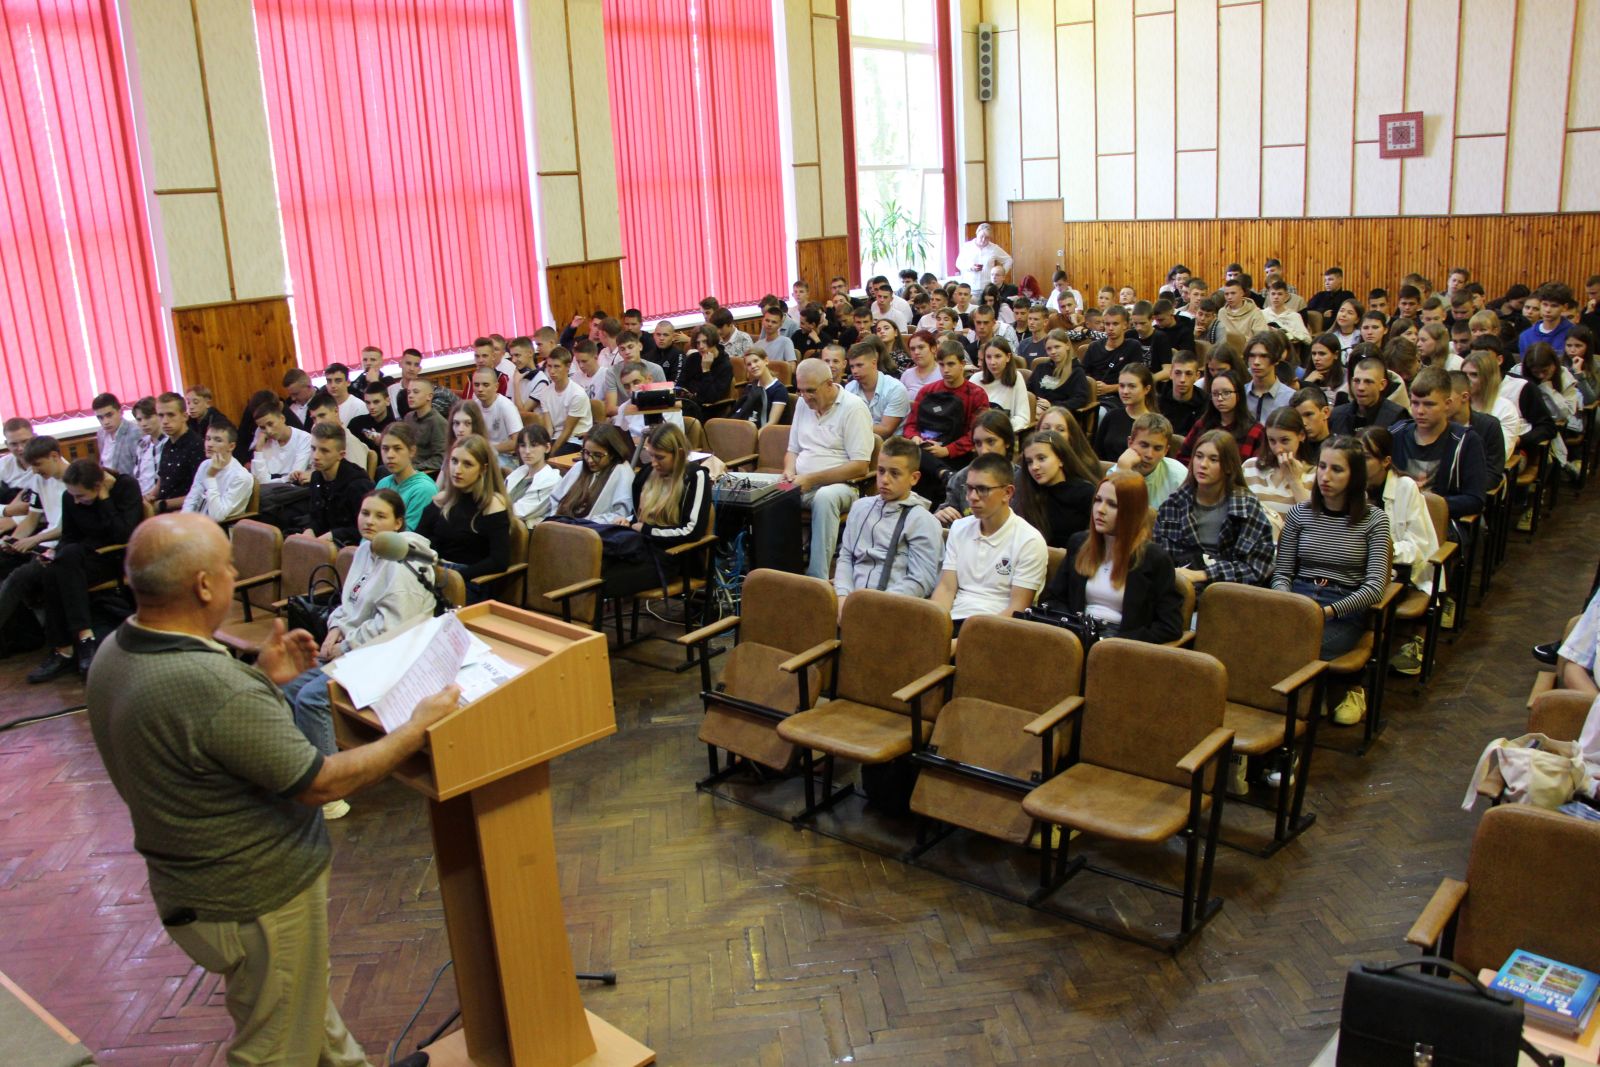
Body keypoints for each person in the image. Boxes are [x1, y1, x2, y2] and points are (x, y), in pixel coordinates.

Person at [85, 511, 451, 1067]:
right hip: (253, 894)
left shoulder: (117, 650)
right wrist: (414, 729)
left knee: (303, 1008)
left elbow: (198, 741)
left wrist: (258, 678)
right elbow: (321, 782)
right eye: (229, 567)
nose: (235, 575)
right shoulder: (213, 685)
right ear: (203, 585)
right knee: (276, 1045)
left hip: (194, 878)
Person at [279, 488, 437, 819]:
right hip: (358, 646)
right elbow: (349, 603)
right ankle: (304, 774)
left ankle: (331, 792)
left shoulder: (404, 562)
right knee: (290, 687)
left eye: (380, 516)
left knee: (313, 698)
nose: (370, 521)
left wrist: (345, 646)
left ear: (398, 523)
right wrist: (335, 630)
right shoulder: (366, 549)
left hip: (394, 653)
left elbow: (393, 626)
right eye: (365, 513)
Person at [1271, 436, 1393, 724]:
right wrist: (1288, 603)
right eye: (1322, 467)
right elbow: (1283, 573)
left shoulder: (1374, 520)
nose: (1325, 476)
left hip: (1343, 606)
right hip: (1298, 600)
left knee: (1301, 646)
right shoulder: (1300, 514)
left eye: (1337, 469)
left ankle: (1307, 706)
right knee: (1263, 639)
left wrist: (1327, 611)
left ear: (1355, 476)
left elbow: (1375, 586)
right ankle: (1299, 704)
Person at [15, 453, 141, 681]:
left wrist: (105, 500)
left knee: (60, 569)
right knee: (56, 565)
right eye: (72, 495)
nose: (75, 501)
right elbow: (70, 536)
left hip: (114, 557)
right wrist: (54, 553)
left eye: (81, 496)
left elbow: (124, 534)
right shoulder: (70, 497)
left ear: (98, 486)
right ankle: (84, 638)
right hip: (80, 559)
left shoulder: (125, 487)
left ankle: (64, 649)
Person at [1038, 473, 1183, 643]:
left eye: (1112, 504)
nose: (1100, 510)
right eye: (1098, 500)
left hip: (1122, 644)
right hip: (1077, 634)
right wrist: (1074, 628)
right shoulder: (1079, 543)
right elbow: (1054, 599)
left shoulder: (1154, 558)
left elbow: (1169, 627)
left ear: (1132, 511)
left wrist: (1116, 642)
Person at [1355, 427, 1440, 677]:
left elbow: (1418, 546)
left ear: (1386, 461)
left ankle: (1359, 666)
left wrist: (1379, 549)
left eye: (1366, 458)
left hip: (1400, 569)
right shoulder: (1350, 485)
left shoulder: (1405, 488)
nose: (1358, 464)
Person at [930, 453, 1047, 632]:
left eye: (982, 489)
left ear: (1007, 493)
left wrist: (961, 641)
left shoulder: (1030, 540)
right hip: (954, 620)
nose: (972, 497)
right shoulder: (959, 528)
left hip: (996, 629)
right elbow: (946, 589)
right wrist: (936, 628)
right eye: (969, 488)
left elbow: (1017, 609)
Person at [785, 357, 876, 580]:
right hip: (801, 482)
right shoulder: (802, 404)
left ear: (829, 384)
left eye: (810, 390)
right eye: (800, 390)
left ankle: (817, 578)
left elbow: (860, 466)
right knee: (768, 496)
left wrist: (812, 478)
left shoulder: (854, 408)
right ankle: (780, 569)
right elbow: (792, 450)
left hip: (843, 486)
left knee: (825, 497)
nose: (805, 396)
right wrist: (788, 471)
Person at [1155, 429, 1277, 591]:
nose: (1203, 465)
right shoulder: (1173, 505)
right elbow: (1158, 560)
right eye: (1199, 456)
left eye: (1213, 459)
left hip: (1228, 594)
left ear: (1228, 466)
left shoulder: (1246, 507)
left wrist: (1204, 574)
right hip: (1178, 590)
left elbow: (1257, 568)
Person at [833, 435, 942, 611]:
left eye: (895, 473)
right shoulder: (859, 508)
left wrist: (876, 605)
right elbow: (846, 557)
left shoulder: (922, 521)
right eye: (881, 471)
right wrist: (842, 596)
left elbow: (922, 580)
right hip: (850, 602)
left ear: (914, 478)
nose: (884, 479)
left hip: (891, 609)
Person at [1388, 366, 1487, 532]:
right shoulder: (1396, 433)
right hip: (1396, 519)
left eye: (1429, 404)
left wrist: (1424, 502)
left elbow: (1475, 499)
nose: (1420, 411)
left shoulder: (1466, 441)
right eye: (1415, 403)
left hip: (1441, 523)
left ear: (1447, 404)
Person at [415, 435, 510, 603]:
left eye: (467, 464)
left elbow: (499, 561)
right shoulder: (440, 500)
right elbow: (418, 541)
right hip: (433, 571)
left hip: (469, 581)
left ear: (483, 469)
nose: (457, 470)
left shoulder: (492, 505)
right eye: (454, 461)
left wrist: (455, 575)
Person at [901, 343, 990, 508]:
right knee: (914, 452)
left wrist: (947, 450)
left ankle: (945, 476)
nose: (946, 370)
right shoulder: (927, 391)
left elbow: (975, 435)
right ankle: (944, 474)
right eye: (941, 365)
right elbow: (911, 425)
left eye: (951, 364)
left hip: (956, 455)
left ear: (962, 364)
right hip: (925, 450)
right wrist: (914, 437)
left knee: (920, 459)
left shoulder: (977, 394)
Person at [1014, 430, 1098, 549]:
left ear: (1061, 459)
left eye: (1041, 458)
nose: (1034, 467)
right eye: (1029, 462)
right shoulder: (1027, 493)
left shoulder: (1086, 492)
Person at [933, 410, 1016, 527]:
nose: (983, 450)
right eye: (978, 443)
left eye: (991, 442)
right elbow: (946, 514)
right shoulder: (961, 478)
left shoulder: (1021, 477)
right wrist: (940, 516)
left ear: (1007, 442)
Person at [302, 423, 374, 546]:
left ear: (341, 455)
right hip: (323, 544)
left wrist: (333, 535)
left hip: (351, 547)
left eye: (324, 451)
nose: (316, 456)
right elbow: (315, 517)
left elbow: (366, 529)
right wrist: (310, 530)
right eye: (313, 448)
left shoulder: (358, 485)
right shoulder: (316, 477)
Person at [1243, 407, 1312, 534]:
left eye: (1285, 440)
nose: (1278, 448)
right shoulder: (1250, 466)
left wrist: (1294, 481)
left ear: (1301, 436)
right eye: (1272, 441)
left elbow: (1311, 522)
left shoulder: (1314, 475)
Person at [551, 425, 635, 525]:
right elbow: (556, 500)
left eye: (598, 455)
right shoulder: (579, 467)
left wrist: (583, 523)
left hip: (594, 530)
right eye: (586, 453)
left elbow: (620, 515)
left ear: (612, 454)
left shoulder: (622, 472)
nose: (590, 460)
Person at [1177, 368, 1264, 462]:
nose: (1220, 398)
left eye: (1226, 393)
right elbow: (1182, 458)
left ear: (1238, 395)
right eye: (1215, 394)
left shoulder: (1256, 431)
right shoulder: (1202, 425)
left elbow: (1257, 467)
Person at [1113, 412, 1188, 509]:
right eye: (1144, 445)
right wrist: (1123, 471)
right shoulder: (1116, 472)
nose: (1149, 455)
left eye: (1157, 448)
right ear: (1130, 443)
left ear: (1166, 450)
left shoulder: (1179, 476)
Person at [148, 392, 206, 516]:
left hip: (186, 514)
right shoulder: (167, 444)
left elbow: (201, 494)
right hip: (164, 510)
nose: (165, 421)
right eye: (161, 415)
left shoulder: (197, 446)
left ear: (185, 416)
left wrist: (163, 504)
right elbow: (162, 481)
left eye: (171, 415)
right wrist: (149, 497)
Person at [182, 423, 253, 522]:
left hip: (222, 527)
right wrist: (183, 521)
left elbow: (217, 516)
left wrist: (210, 477)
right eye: (208, 439)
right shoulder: (205, 465)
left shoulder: (241, 477)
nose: (210, 444)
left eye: (218, 440)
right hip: (198, 523)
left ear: (231, 446)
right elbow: (192, 499)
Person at [374, 422, 435, 530]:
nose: (390, 455)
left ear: (412, 451)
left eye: (397, 448)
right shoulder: (383, 483)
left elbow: (408, 534)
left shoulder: (424, 489)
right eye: (385, 448)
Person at [1081, 305, 1146, 405]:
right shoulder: (1094, 346)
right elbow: (1082, 374)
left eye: (1115, 324)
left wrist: (1109, 388)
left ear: (1125, 325)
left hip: (1120, 397)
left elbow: (1139, 379)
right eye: (1107, 324)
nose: (1110, 328)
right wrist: (1092, 386)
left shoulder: (1133, 346)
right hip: (1093, 396)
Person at [1329, 357, 1406, 434]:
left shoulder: (1396, 416)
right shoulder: (1337, 415)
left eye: (1368, 381)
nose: (1360, 387)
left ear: (1382, 385)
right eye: (1357, 381)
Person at [1094, 363, 1155, 461]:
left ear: (1146, 389)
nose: (1125, 391)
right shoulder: (1111, 416)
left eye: (1132, 386)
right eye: (1122, 386)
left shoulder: (1154, 423)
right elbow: (1097, 453)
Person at [505, 425, 561, 528]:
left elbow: (521, 512)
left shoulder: (552, 480)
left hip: (528, 532)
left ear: (547, 448)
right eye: (523, 445)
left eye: (534, 445)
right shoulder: (517, 473)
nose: (527, 451)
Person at [677, 325, 735, 420]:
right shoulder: (693, 358)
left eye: (705, 342)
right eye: (698, 343)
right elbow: (680, 385)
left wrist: (706, 370)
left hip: (709, 409)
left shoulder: (725, 365)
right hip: (688, 403)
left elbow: (711, 398)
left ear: (713, 341)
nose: (701, 346)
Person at [1028, 328, 1092, 411]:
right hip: (1036, 409)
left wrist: (1052, 405)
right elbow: (1028, 390)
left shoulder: (1077, 371)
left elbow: (1080, 399)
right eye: (1049, 349)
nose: (1053, 352)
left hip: (1060, 413)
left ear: (1067, 346)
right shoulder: (1040, 368)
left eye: (1057, 347)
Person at [471, 366, 524, 467]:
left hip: (507, 458)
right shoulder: (474, 406)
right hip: (484, 455)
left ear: (496, 386)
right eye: (476, 385)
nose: (480, 389)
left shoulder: (506, 406)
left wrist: (489, 449)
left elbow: (517, 441)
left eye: (485, 385)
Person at [977, 337, 1031, 431]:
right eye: (988, 357)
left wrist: (997, 427)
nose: (992, 362)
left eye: (998, 356)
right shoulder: (976, 378)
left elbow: (1023, 418)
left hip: (1003, 432)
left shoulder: (1017, 378)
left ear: (1008, 357)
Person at [1243, 331, 1296, 422]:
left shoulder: (1290, 398)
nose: (1256, 362)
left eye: (1264, 356)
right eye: (1252, 356)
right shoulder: (1239, 394)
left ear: (1276, 359)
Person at [403, 378, 450, 473]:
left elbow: (440, 459)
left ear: (429, 396)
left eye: (416, 392)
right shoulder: (408, 417)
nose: (410, 396)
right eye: (409, 392)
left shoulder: (438, 422)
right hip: (406, 465)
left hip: (422, 473)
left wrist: (414, 469)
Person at [733, 349, 790, 428]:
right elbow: (742, 413)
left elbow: (771, 423)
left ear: (766, 361)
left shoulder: (779, 390)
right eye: (749, 364)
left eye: (756, 361)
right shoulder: (750, 387)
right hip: (747, 429)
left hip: (765, 432)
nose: (753, 366)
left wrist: (753, 435)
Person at [1156, 350, 1206, 439]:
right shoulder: (1158, 400)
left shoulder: (1206, 403)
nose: (1182, 379)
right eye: (1178, 373)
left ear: (1197, 376)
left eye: (1188, 374)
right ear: (1170, 374)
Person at [93, 393, 142, 476]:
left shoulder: (135, 433)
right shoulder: (101, 433)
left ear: (120, 411)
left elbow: (140, 470)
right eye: (100, 418)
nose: (105, 422)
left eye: (109, 415)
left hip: (127, 482)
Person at [956, 223, 1012, 290]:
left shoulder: (994, 248)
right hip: (969, 286)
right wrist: (970, 267)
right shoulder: (967, 246)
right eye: (981, 236)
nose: (983, 240)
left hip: (988, 287)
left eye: (987, 238)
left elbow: (1009, 260)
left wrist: (1000, 274)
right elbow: (958, 263)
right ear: (977, 233)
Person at [348, 379, 397, 451]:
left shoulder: (395, 427)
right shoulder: (356, 424)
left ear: (387, 401)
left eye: (376, 402)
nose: (371, 407)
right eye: (368, 402)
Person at [1302, 333, 1350, 406]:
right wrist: (1306, 383)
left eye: (1322, 354)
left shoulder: (1347, 377)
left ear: (1336, 355)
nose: (1316, 358)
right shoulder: (1305, 375)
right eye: (1314, 354)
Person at [899, 329, 943, 396]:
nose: (916, 352)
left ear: (933, 348)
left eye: (921, 347)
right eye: (912, 349)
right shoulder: (907, 375)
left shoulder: (944, 372)